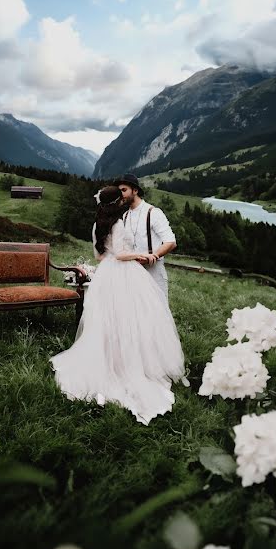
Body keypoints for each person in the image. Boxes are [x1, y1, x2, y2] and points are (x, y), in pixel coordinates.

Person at [50, 185, 186, 425]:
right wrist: (139, 255)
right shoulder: (119, 223)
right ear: (116, 203)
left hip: (106, 274)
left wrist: (120, 255)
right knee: (130, 318)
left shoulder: (97, 225)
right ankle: (127, 364)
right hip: (124, 273)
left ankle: (109, 357)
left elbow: (99, 257)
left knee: (106, 320)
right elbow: (122, 254)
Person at [115, 173, 177, 298]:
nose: (120, 194)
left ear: (135, 190)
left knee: (157, 313)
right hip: (133, 273)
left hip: (154, 273)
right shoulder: (125, 216)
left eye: (124, 190)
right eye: (119, 191)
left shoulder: (153, 212)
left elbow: (171, 242)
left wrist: (154, 255)